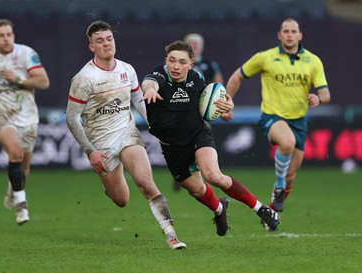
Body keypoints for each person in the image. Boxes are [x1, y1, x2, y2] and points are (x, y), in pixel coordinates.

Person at [65, 20, 186, 250]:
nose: (106, 44)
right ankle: (110, 184)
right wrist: (90, 152)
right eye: (99, 41)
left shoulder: (126, 69)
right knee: (121, 200)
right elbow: (72, 119)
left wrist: (155, 124)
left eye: (109, 39)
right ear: (91, 47)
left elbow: (138, 100)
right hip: (102, 145)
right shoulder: (84, 79)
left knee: (146, 184)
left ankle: (172, 236)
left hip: (127, 133)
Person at [141, 40, 281, 236]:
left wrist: (227, 107)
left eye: (182, 62)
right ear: (166, 60)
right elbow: (149, 83)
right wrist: (149, 89)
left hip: (198, 136)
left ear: (191, 64)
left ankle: (260, 208)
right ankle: (219, 210)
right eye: (171, 60)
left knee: (214, 175)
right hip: (172, 148)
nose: (175, 66)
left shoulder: (197, 80)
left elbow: (217, 103)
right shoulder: (159, 75)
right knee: (197, 190)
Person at [225, 18, 331, 230]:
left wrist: (319, 99)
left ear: (300, 35)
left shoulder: (313, 61)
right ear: (279, 35)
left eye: (294, 31)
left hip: (299, 120)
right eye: (286, 31)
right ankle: (279, 184)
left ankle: (270, 216)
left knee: (291, 175)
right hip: (272, 117)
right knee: (287, 143)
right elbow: (238, 76)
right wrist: (227, 103)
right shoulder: (265, 57)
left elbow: (325, 93)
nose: (290, 34)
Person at [0, 19, 50, 225]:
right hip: (0, 115)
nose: (6, 39)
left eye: (9, 35)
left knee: (24, 167)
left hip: (28, 117)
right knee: (16, 152)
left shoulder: (25, 53)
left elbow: (43, 81)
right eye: (1, 36)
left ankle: (13, 189)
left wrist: (18, 79)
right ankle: (22, 207)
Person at [171, 33, 225, 192]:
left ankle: (196, 171)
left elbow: (218, 81)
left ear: (201, 47)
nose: (194, 46)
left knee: (202, 137)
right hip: (181, 108)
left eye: (196, 43)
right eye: (191, 43)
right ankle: (182, 171)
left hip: (201, 109)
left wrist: (216, 97)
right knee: (180, 142)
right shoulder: (179, 64)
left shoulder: (209, 64)